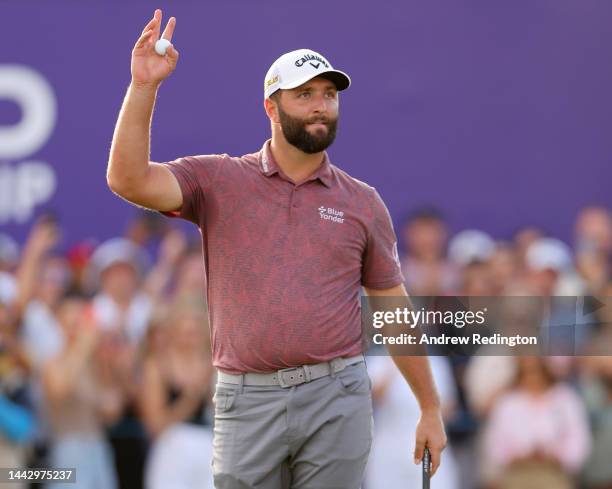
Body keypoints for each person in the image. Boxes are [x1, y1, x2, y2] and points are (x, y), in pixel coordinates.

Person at [106, 9, 446, 488]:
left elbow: (393, 311)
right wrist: (144, 87)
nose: (320, 106)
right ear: (271, 106)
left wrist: (429, 407)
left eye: (328, 95)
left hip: (337, 394)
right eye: (304, 94)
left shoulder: (363, 203)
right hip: (246, 400)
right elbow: (127, 179)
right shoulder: (220, 179)